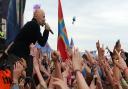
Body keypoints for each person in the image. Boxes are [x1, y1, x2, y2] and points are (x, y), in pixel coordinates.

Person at [0, 8, 52, 88]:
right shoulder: (34, 25)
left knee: (18, 80)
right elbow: (42, 42)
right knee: (15, 80)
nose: (44, 19)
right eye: (43, 17)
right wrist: (47, 30)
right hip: (16, 57)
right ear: (37, 16)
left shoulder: (31, 24)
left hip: (16, 56)